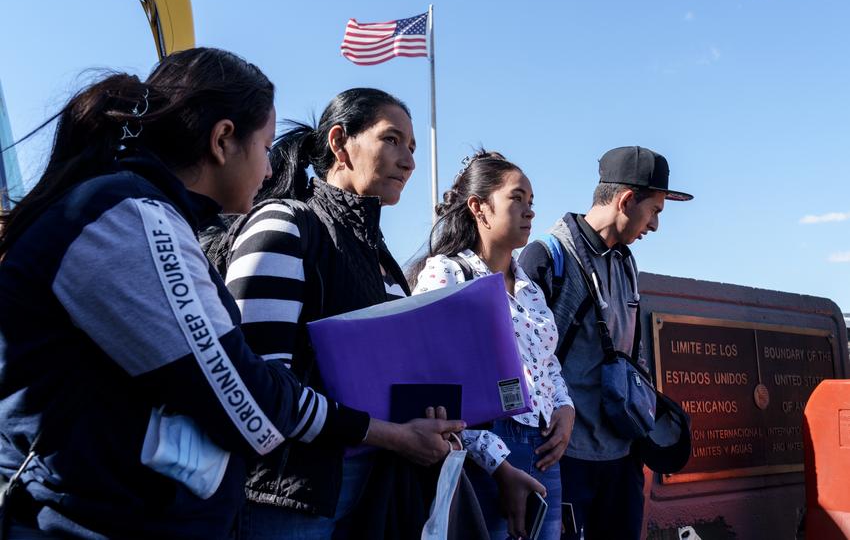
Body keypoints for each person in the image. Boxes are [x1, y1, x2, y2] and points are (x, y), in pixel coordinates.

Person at [0, 50, 462, 540]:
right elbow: (247, 393)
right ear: (223, 140)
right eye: (265, 148)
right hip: (85, 520)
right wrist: (385, 433)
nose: (270, 170)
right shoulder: (129, 215)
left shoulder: (146, 212)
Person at [216, 88, 465, 539]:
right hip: (290, 494)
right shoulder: (285, 224)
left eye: (412, 147)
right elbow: (255, 384)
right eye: (391, 140)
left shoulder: (385, 262)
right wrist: (390, 435)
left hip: (372, 489)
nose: (409, 161)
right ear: (339, 142)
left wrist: (429, 424)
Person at [517, 146, 693, 540]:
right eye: (655, 211)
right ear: (626, 200)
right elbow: (523, 361)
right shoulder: (547, 257)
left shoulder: (626, 261)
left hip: (620, 459)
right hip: (565, 458)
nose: (656, 226)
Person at [410, 150, 575, 540]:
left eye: (531, 202)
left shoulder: (531, 290)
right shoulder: (446, 273)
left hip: (545, 450)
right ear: (479, 208)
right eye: (517, 198)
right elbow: (428, 381)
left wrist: (566, 408)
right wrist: (495, 460)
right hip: (484, 454)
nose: (530, 211)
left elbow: (547, 363)